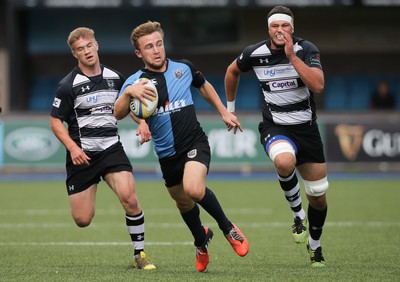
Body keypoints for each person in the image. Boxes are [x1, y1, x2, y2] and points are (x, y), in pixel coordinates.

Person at [113, 21, 249, 272]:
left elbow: (204, 87)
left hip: (194, 142)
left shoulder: (183, 68)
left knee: (194, 189)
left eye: (159, 44)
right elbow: (120, 112)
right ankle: (200, 240)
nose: (156, 50)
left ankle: (228, 227)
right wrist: (130, 97)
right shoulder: (135, 82)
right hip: (166, 155)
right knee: (183, 203)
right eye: (149, 47)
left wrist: (223, 112)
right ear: (138, 53)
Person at [225, 6, 328, 267]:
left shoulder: (307, 49)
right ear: (268, 29)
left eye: (284, 25)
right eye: (274, 26)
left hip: (307, 130)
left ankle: (314, 246)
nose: (279, 30)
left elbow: (317, 85)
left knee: (318, 195)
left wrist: (292, 57)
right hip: (276, 127)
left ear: (292, 27)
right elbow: (231, 71)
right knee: (284, 162)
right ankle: (297, 216)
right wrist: (230, 109)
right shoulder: (254, 53)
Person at [49, 27, 155, 270]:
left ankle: (140, 254)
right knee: (83, 220)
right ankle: (91, 184)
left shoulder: (116, 78)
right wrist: (73, 148)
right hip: (82, 156)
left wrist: (142, 123)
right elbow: (55, 122)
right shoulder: (68, 85)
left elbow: (126, 107)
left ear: (96, 45)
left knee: (130, 197)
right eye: (80, 49)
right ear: (74, 54)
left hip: (111, 150)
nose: (86, 52)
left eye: (89, 46)